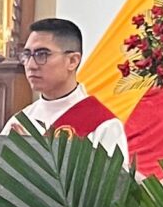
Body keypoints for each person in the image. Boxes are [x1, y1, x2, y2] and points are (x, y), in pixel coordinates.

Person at [9, 18, 129, 160]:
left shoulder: (103, 126)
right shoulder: (20, 121)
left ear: (72, 61)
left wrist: (36, 157)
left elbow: (112, 181)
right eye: (27, 55)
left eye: (42, 55)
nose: (31, 65)